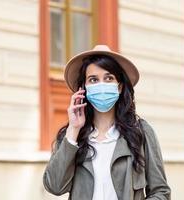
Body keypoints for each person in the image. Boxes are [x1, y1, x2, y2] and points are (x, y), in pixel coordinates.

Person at [43, 45, 171, 200]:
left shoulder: (141, 132)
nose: (101, 85)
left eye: (109, 78)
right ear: (84, 88)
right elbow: (54, 186)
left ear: (119, 87)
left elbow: (161, 192)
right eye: (93, 80)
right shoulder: (71, 136)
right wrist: (73, 130)